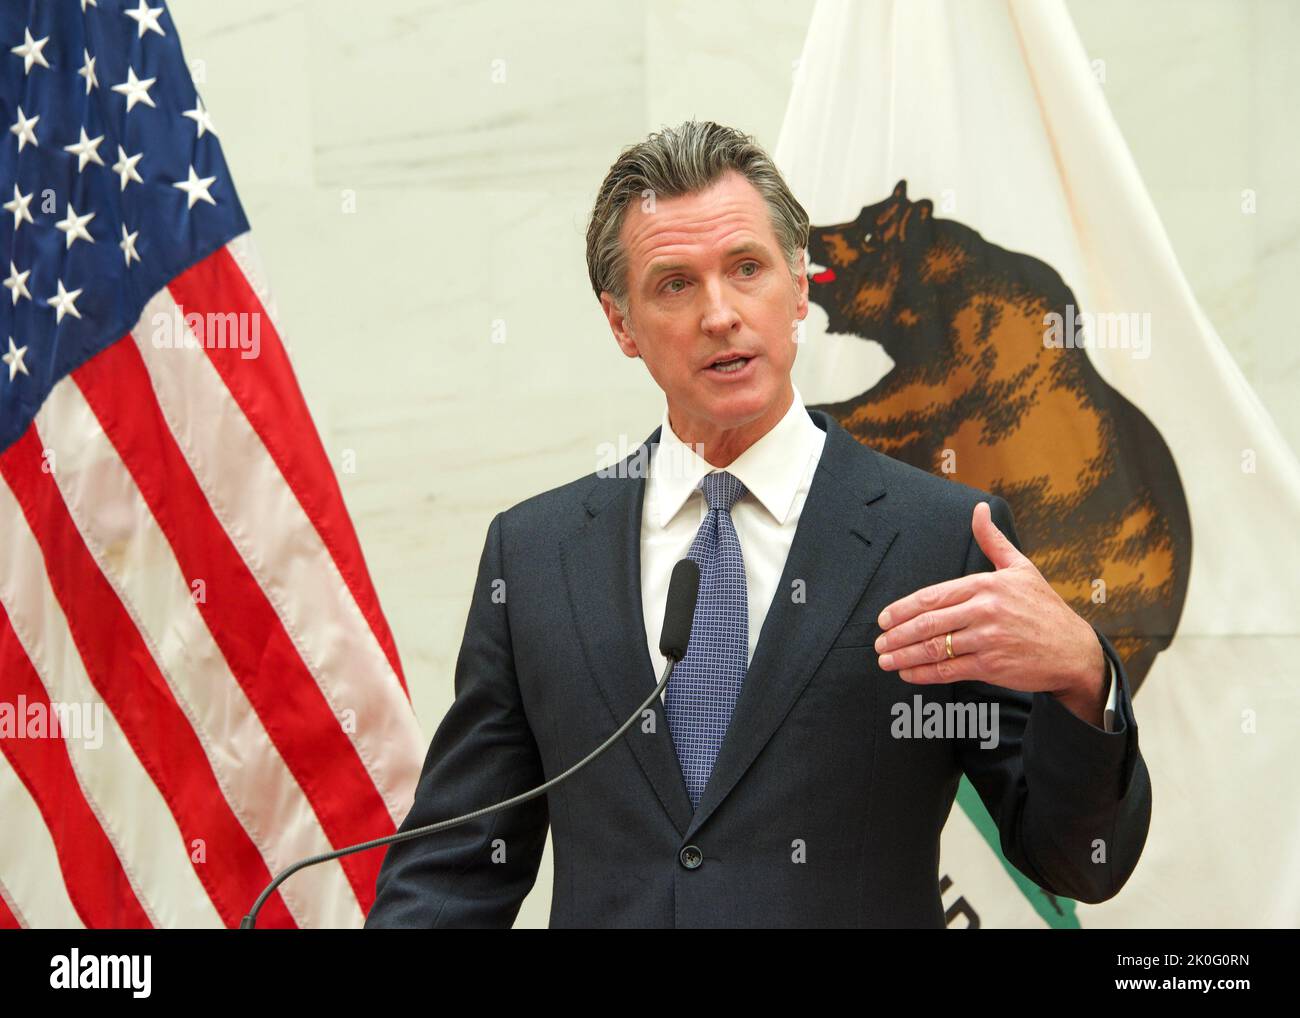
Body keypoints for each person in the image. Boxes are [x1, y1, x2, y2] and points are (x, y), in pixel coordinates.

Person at [365, 121, 1150, 928]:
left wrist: (1083, 678)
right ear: (621, 324)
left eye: (747, 269)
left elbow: (1076, 861)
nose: (721, 314)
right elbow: (457, 869)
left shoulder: (939, 539)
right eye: (674, 284)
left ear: (800, 287)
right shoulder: (535, 556)